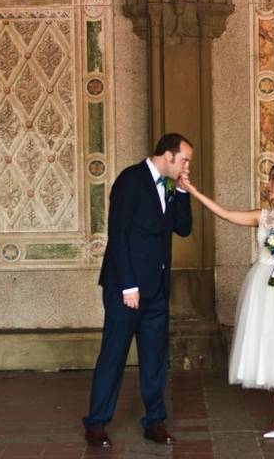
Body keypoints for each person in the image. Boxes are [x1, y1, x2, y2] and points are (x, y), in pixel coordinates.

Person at [180, 161, 274, 442]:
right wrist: (192, 190)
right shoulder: (263, 217)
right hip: (263, 284)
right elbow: (226, 214)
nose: (268, 184)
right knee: (273, 342)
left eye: (273, 180)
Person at [83, 133, 194, 448]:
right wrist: (129, 285)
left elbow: (183, 228)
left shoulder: (171, 185)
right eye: (184, 159)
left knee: (155, 358)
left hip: (157, 288)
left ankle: (155, 421)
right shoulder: (130, 181)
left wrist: (183, 192)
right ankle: (96, 423)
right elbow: (119, 236)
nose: (187, 165)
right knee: (114, 355)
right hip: (126, 288)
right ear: (168, 155)